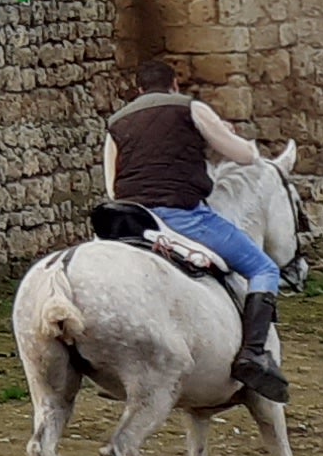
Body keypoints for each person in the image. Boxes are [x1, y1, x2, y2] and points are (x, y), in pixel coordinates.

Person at [102, 56, 285, 401]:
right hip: (184, 216)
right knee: (263, 267)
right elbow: (245, 157)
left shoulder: (116, 123)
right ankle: (254, 354)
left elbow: (112, 188)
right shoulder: (190, 108)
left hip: (132, 222)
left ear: (138, 90)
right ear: (174, 85)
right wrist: (237, 139)